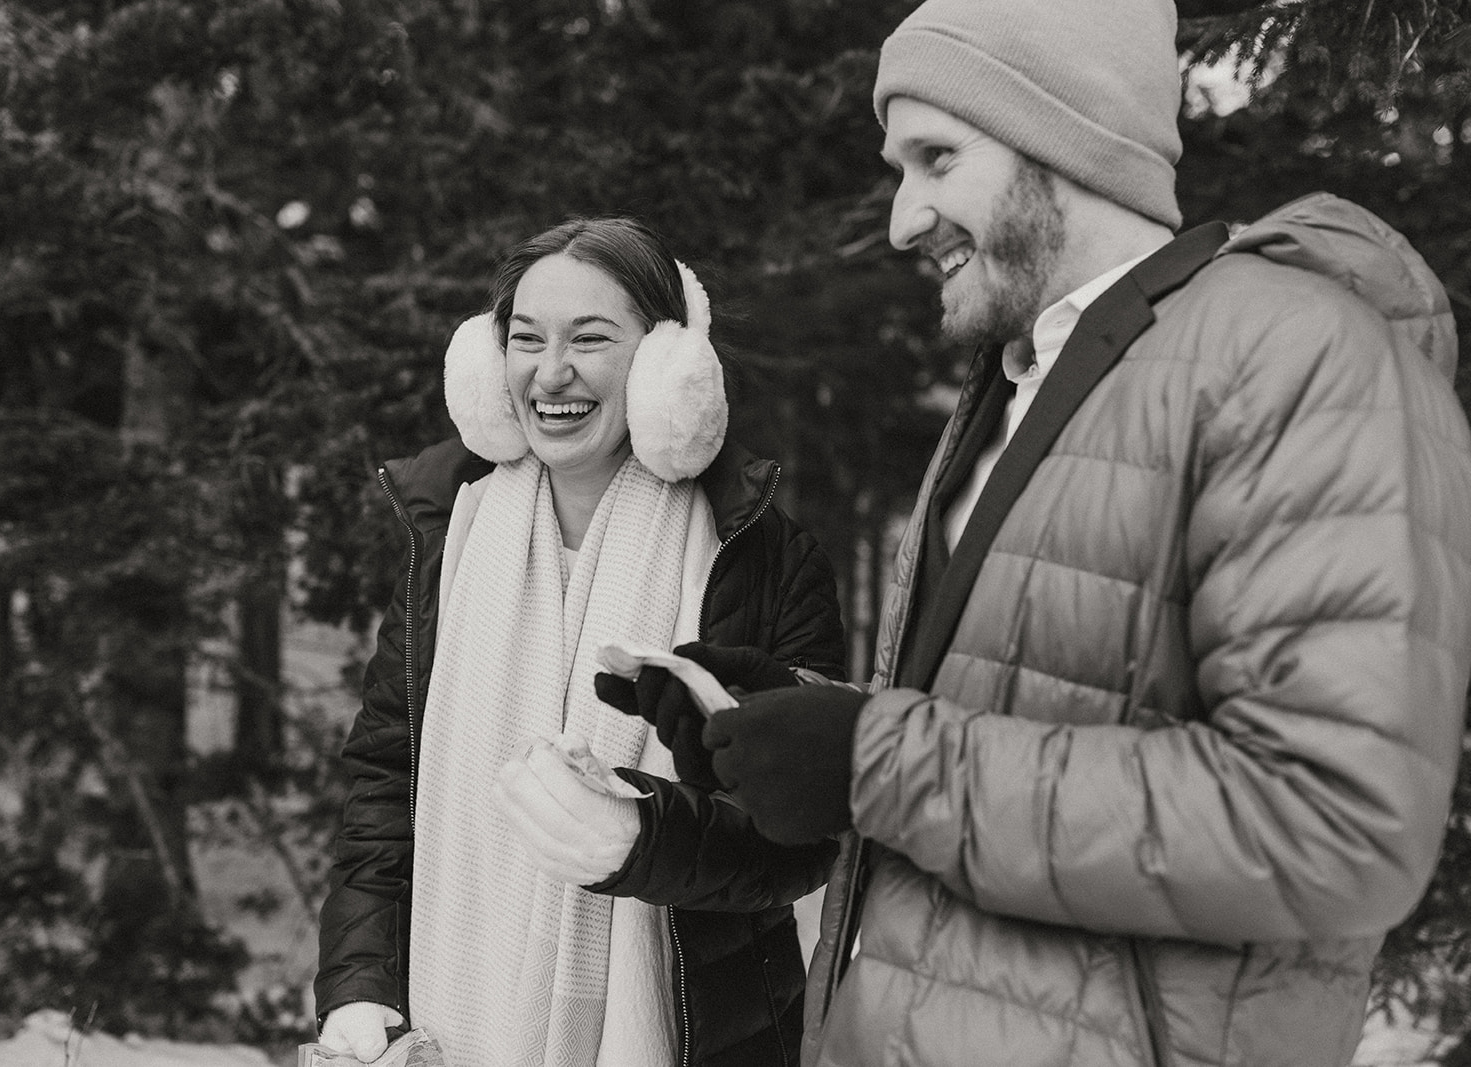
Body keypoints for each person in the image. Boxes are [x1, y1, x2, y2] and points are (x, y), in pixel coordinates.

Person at [598, 2, 1471, 1065]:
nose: (901, 221)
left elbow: (1333, 822)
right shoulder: (1026, 385)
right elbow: (1047, 716)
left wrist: (877, 759)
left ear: (1069, 136)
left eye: (935, 159)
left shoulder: (1296, 360)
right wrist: (806, 729)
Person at [312, 216, 847, 1067]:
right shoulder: (449, 539)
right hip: (451, 1027)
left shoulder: (760, 555)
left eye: (589, 339)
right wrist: (359, 985)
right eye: (525, 339)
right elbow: (387, 786)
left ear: (670, 365)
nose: (550, 372)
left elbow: (802, 830)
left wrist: (638, 835)